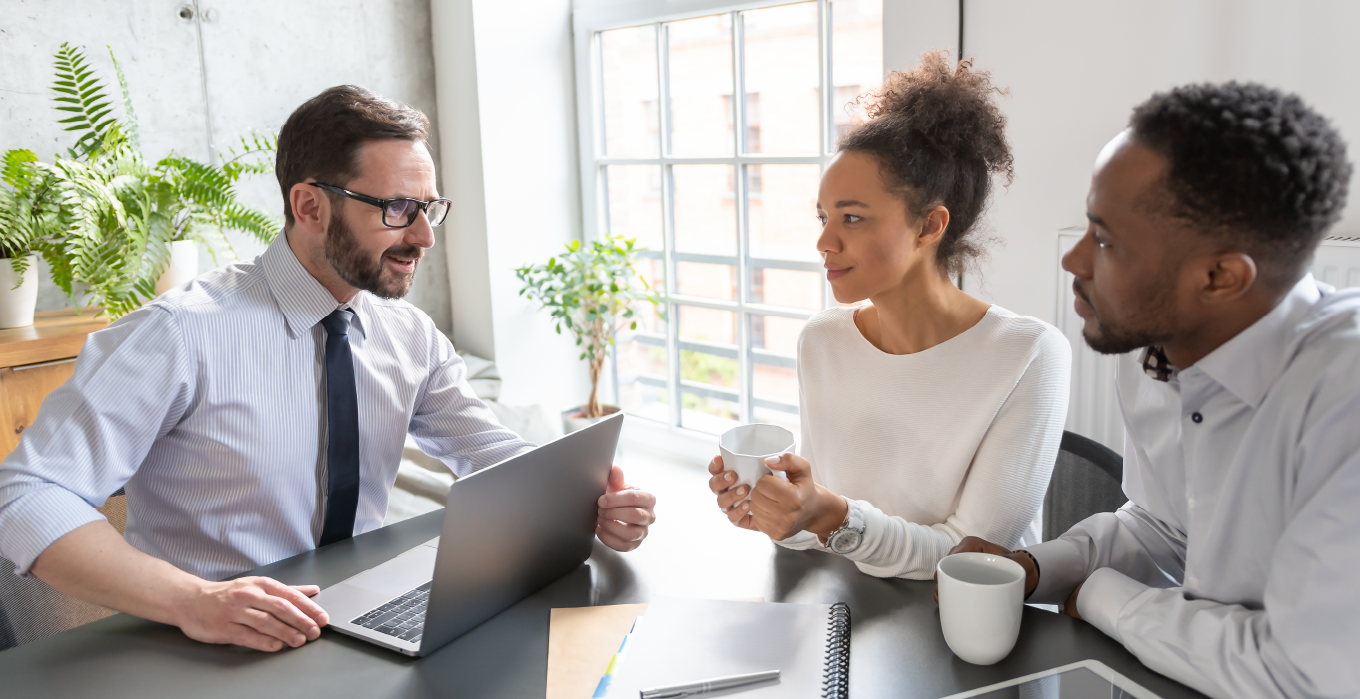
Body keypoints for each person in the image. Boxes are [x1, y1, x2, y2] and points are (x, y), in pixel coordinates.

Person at [0, 86, 657, 653]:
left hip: (358, 620)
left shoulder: (409, 336)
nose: (424, 237)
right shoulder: (177, 335)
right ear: (310, 206)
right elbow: (26, 496)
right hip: (201, 640)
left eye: (430, 208)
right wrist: (195, 599)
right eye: (398, 208)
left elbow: (491, 454)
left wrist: (585, 502)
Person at [946, 81, 1360, 699]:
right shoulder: (1154, 348)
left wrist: (1106, 596)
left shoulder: (1342, 398)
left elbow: (1302, 675)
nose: (1074, 261)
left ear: (1220, 277)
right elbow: (1165, 529)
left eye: (1106, 241)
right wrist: (1039, 568)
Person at [706, 51, 1070, 579]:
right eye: (824, 216)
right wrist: (780, 512)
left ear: (928, 227)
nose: (824, 241)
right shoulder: (823, 341)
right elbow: (822, 537)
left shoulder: (1028, 354)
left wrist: (831, 516)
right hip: (848, 613)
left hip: (961, 632)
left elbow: (971, 560)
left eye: (852, 218)